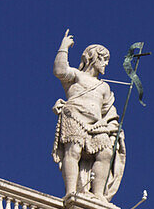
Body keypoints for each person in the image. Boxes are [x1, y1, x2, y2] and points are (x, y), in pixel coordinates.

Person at [52, 30, 125, 200]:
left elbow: (109, 111)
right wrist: (64, 47)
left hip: (97, 125)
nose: (106, 64)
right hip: (74, 116)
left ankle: (98, 194)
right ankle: (71, 191)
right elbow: (60, 70)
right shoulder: (77, 76)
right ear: (92, 58)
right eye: (103, 59)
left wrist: (114, 127)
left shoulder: (104, 87)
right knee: (74, 151)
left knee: (106, 153)